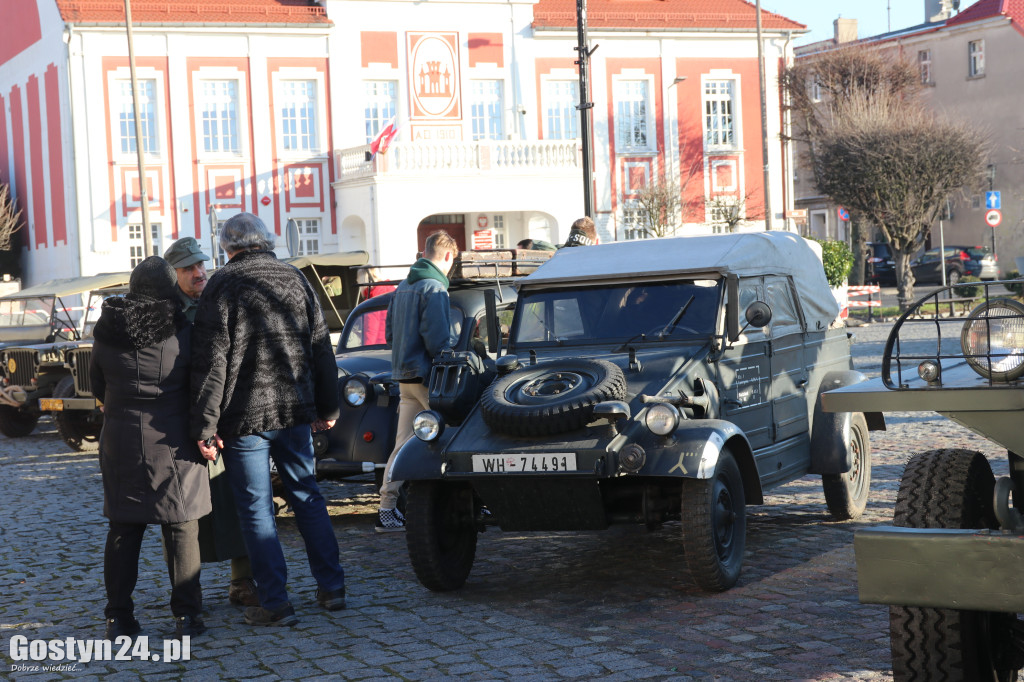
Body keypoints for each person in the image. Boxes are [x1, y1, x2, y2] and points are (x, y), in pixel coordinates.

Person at [190, 212, 345, 627]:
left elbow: (211, 364)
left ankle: (275, 602)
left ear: (227, 247)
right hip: (294, 410)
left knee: (257, 509)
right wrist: (328, 407)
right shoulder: (295, 279)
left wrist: (205, 426)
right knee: (306, 494)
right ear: (266, 241)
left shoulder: (221, 285)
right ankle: (333, 589)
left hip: (244, 418)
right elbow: (321, 347)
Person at [91, 256, 211, 640]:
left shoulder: (106, 331)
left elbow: (96, 385)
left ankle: (118, 617)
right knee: (181, 526)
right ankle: (187, 616)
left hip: (121, 439)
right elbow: (200, 386)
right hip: (173, 438)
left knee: (124, 529)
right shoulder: (182, 330)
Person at [163, 236, 258, 609]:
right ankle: (189, 586)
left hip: (225, 420)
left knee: (237, 500)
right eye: (188, 268)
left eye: (201, 264)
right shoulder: (167, 313)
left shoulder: (217, 300)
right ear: (173, 274)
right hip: (185, 425)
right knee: (184, 511)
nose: (199, 272)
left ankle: (242, 580)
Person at [376, 231, 458, 532]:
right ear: (448, 256)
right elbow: (437, 340)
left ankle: (386, 510)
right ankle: (470, 503)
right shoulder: (434, 287)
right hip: (427, 377)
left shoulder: (402, 287)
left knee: (401, 445)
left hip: (404, 376)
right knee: (457, 436)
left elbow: (389, 336)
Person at [357, 267, 396, 346]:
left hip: (379, 347)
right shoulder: (393, 290)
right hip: (396, 346)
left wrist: (365, 351)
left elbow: (370, 330)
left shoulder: (372, 300)